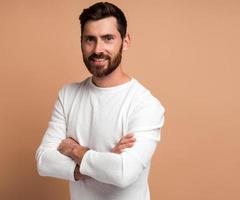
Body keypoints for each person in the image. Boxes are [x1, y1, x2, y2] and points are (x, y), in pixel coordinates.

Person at [35, 2, 165, 200]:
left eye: (108, 38)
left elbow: (123, 173)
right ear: (81, 42)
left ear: (126, 41)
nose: (98, 49)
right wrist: (104, 162)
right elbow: (44, 162)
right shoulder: (68, 95)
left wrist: (74, 150)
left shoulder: (145, 104)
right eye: (90, 39)